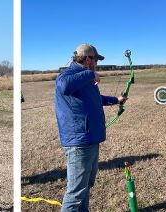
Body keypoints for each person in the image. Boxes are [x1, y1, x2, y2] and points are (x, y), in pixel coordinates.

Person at [55, 44, 127, 211]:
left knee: (86, 185)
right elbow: (63, 85)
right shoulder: (69, 74)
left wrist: (116, 100)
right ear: (88, 59)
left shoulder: (83, 77)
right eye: (96, 60)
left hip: (90, 139)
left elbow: (95, 97)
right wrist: (90, 73)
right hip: (79, 142)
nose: (97, 64)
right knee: (76, 193)